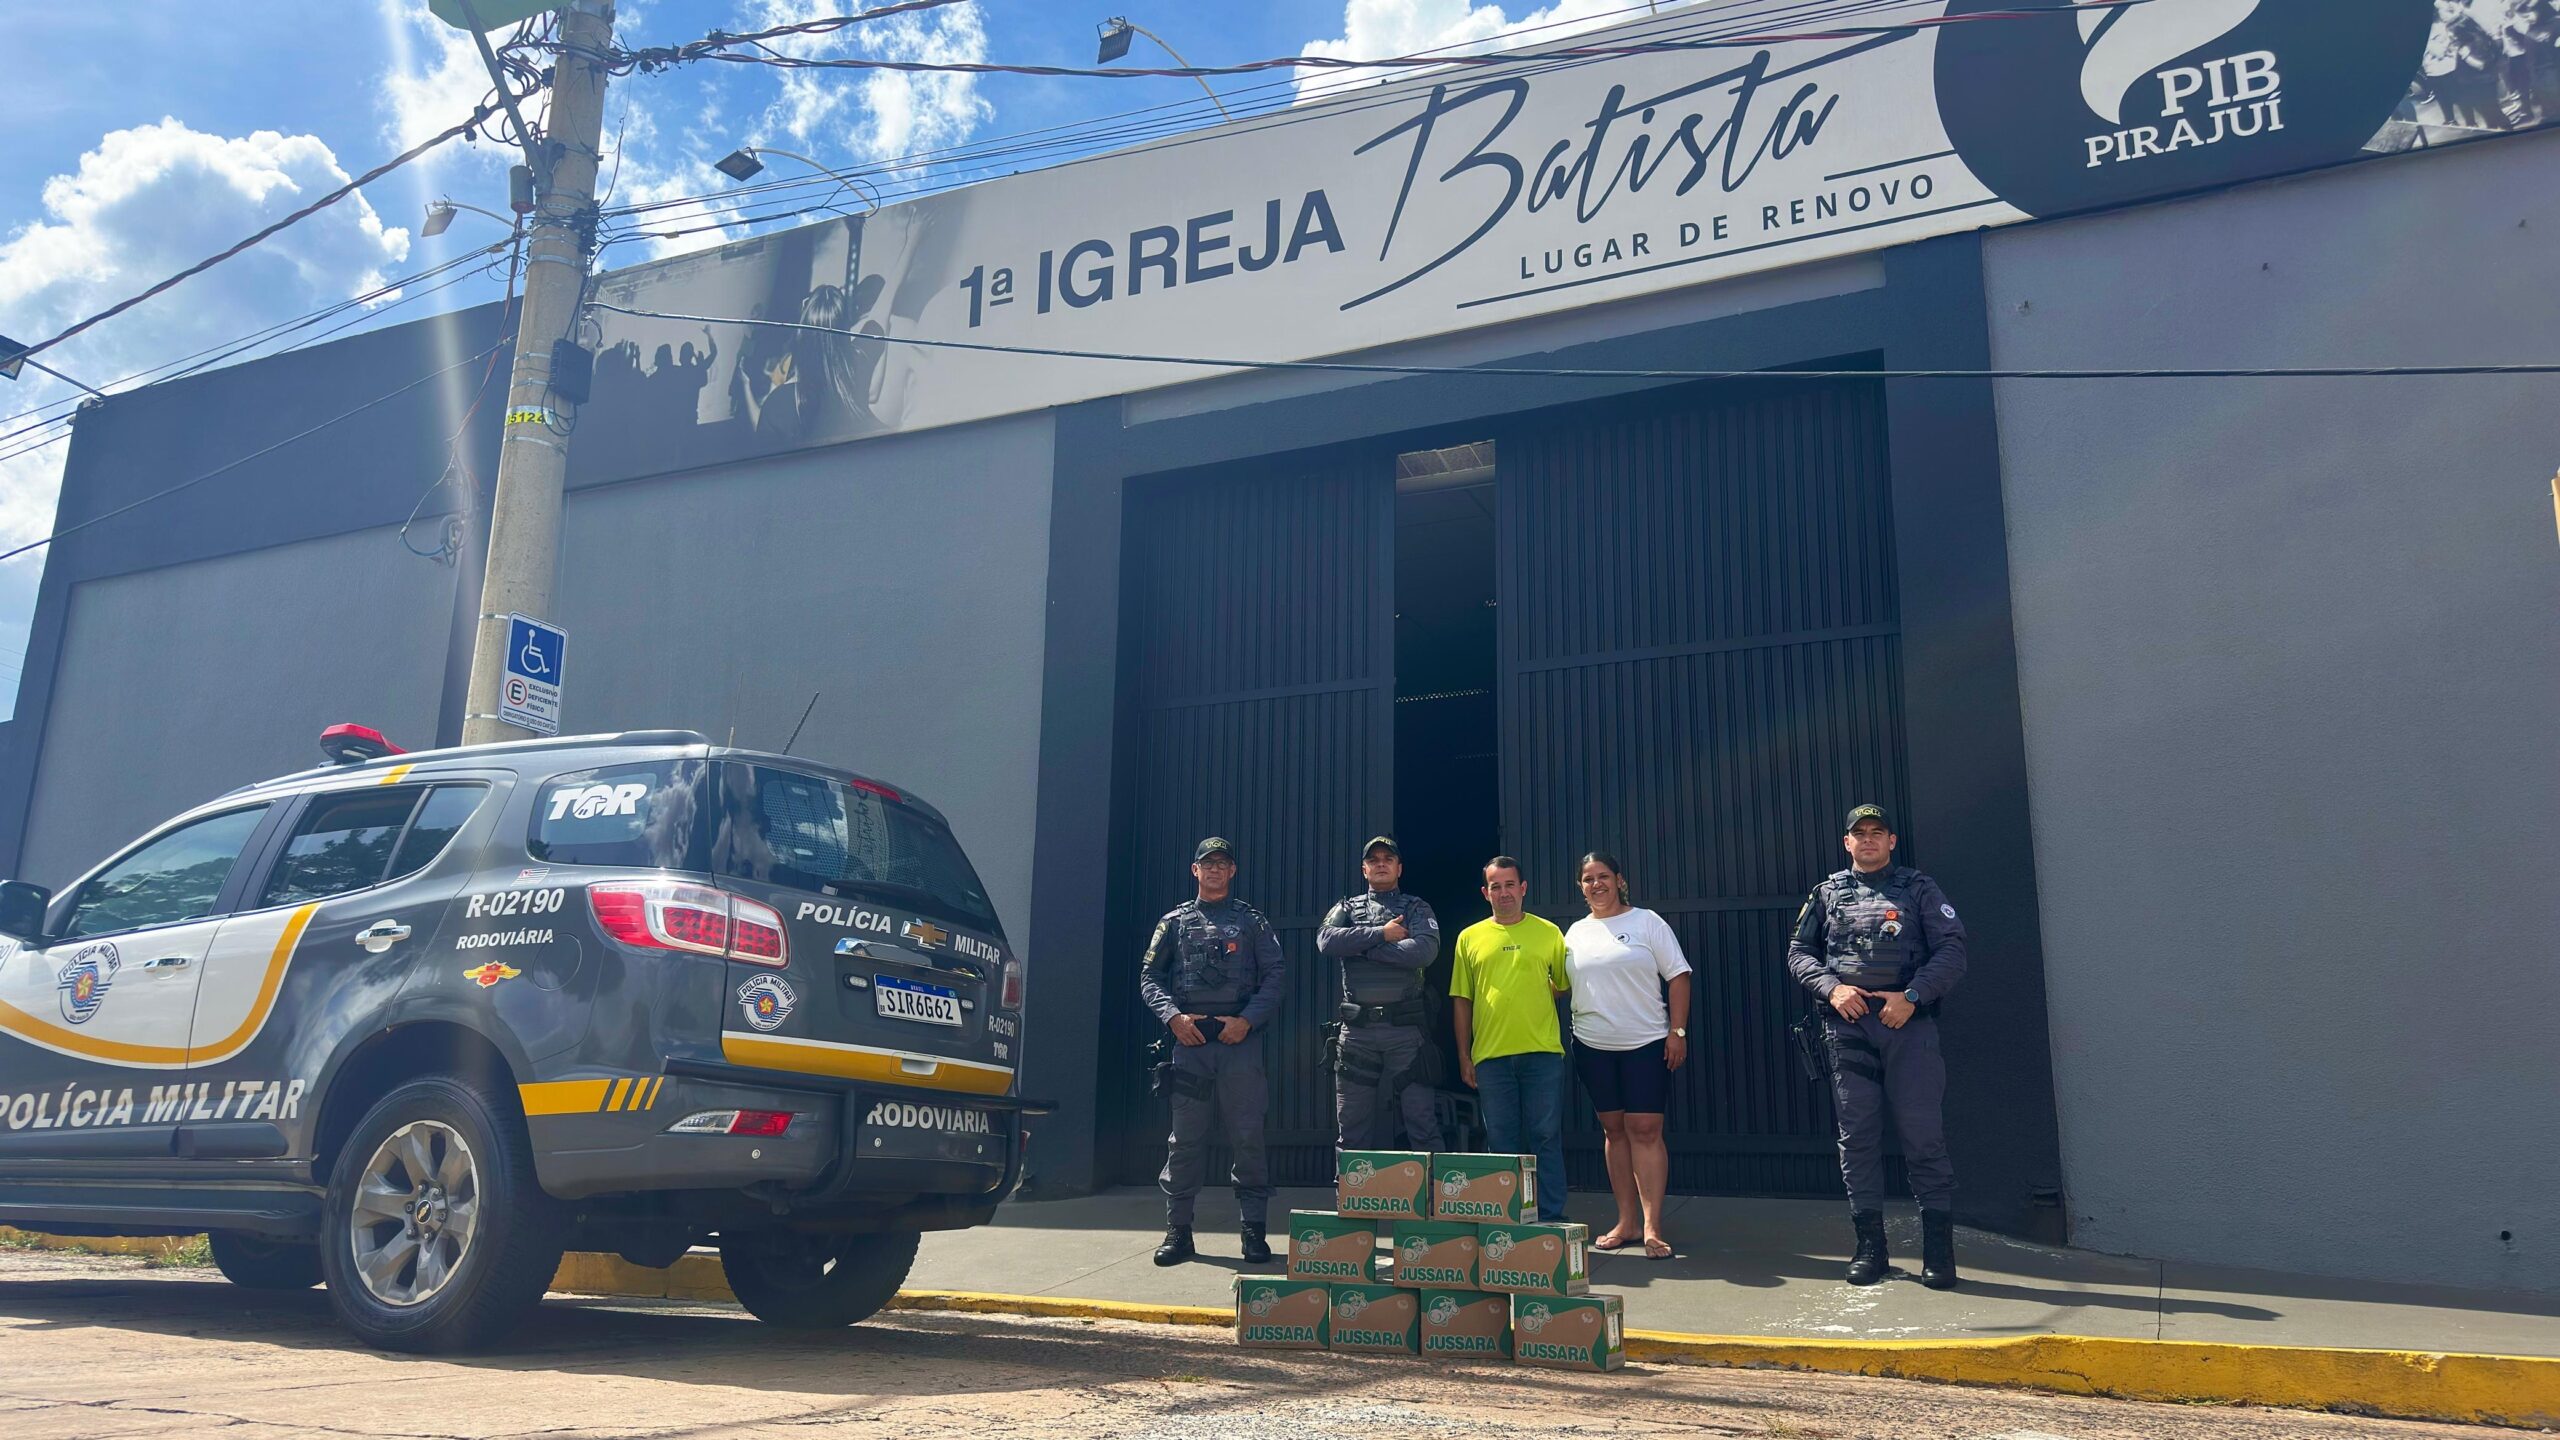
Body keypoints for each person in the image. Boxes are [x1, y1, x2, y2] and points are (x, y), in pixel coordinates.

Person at [1786, 805, 1969, 1290]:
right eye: (1858, 834)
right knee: (1858, 1137)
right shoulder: (1827, 893)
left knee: (1923, 1136)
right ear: (1847, 843)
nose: (1867, 840)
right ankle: (1871, 1249)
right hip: (1848, 1029)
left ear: (1891, 841)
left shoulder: (1919, 888)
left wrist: (1912, 997)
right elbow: (1798, 952)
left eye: (1876, 833)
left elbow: (1952, 950)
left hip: (1908, 1028)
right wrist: (1832, 989)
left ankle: (1938, 1253)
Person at [1140, 837, 1286, 1266]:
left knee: (1248, 1137)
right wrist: (1173, 1019)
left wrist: (1248, 1020)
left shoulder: (1252, 923)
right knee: (1184, 1141)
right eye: (1208, 864)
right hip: (1191, 1044)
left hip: (1239, 1042)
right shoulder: (1174, 922)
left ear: (1233, 871)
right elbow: (1150, 976)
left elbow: (1275, 975)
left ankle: (1254, 1233)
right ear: (1195, 870)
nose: (1215, 870)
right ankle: (1178, 1233)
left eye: (1223, 863)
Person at [1564, 852, 1692, 1260]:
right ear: (1580, 886)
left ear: (1619, 880)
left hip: (1647, 1044)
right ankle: (1627, 1221)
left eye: (1603, 876)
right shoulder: (1574, 934)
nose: (1596, 884)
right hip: (1592, 1046)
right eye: (1588, 879)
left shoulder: (1647, 922)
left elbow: (1679, 976)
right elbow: (1555, 984)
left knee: (1645, 1130)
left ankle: (1653, 1226)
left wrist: (1677, 1031)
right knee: (1614, 1131)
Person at [1448, 856, 1569, 1222]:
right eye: (1495, 887)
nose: (1504, 893)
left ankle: (1550, 1215)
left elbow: (1562, 986)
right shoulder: (1469, 938)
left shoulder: (1549, 932)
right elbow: (1461, 1000)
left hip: (1543, 1053)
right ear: (1486, 893)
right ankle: (1509, 1214)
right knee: (1501, 1141)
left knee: (1545, 1136)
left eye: (1510, 885)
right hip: (1491, 1057)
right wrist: (1464, 1056)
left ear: (1524, 888)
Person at [1318, 836, 1443, 1152]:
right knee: (1352, 1131)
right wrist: (1381, 935)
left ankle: (1434, 1199)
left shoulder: (1416, 907)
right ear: (1364, 869)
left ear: (1399, 868)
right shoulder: (1346, 908)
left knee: (1422, 1124)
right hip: (1357, 1034)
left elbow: (1423, 952)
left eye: (1388, 858)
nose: (1381, 863)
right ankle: (1351, 1200)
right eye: (1374, 860)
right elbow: (1326, 941)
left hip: (1406, 1033)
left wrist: (1363, 950)